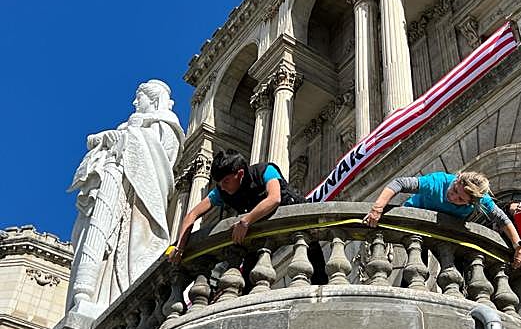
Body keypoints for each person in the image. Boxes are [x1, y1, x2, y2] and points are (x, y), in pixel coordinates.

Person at [67, 80, 184, 314]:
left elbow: (162, 162)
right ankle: (93, 295)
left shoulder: (165, 125)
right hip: (116, 187)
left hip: (137, 197)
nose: (134, 102)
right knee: (99, 247)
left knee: (128, 248)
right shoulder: (132, 127)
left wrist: (123, 139)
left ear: (152, 99)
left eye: (138, 97)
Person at [168, 150, 327, 288]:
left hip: (295, 219)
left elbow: (275, 198)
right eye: (220, 183)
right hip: (261, 231)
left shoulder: (266, 170)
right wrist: (180, 247)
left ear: (240, 174)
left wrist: (246, 220)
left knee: (317, 271)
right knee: (248, 278)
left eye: (226, 181)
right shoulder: (221, 192)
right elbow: (192, 214)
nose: (222, 187)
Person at [363, 171, 521, 269]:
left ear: (471, 203)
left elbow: (502, 219)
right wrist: (377, 209)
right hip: (417, 219)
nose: (452, 196)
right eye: (455, 189)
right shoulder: (437, 181)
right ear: (456, 180)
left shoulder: (482, 202)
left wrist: (519, 247)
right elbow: (399, 183)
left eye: (460, 199)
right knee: (418, 262)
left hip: (444, 228)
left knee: (453, 265)